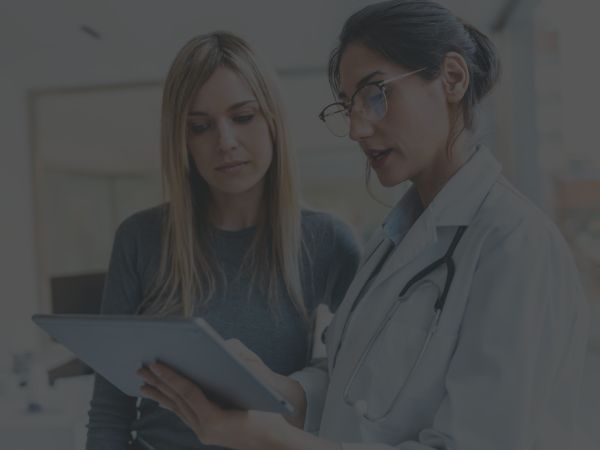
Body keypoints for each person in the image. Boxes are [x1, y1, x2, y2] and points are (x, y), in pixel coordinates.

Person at [137, 2, 590, 449]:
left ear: (452, 78)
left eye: (376, 93)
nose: (356, 128)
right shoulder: (392, 241)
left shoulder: (513, 245)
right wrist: (274, 387)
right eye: (348, 105)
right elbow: (350, 385)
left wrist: (271, 439)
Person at [86, 31, 360, 450]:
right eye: (200, 126)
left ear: (272, 121)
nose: (225, 142)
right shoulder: (140, 239)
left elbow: (362, 382)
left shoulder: (327, 240)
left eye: (243, 117)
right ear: (183, 140)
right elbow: (110, 408)